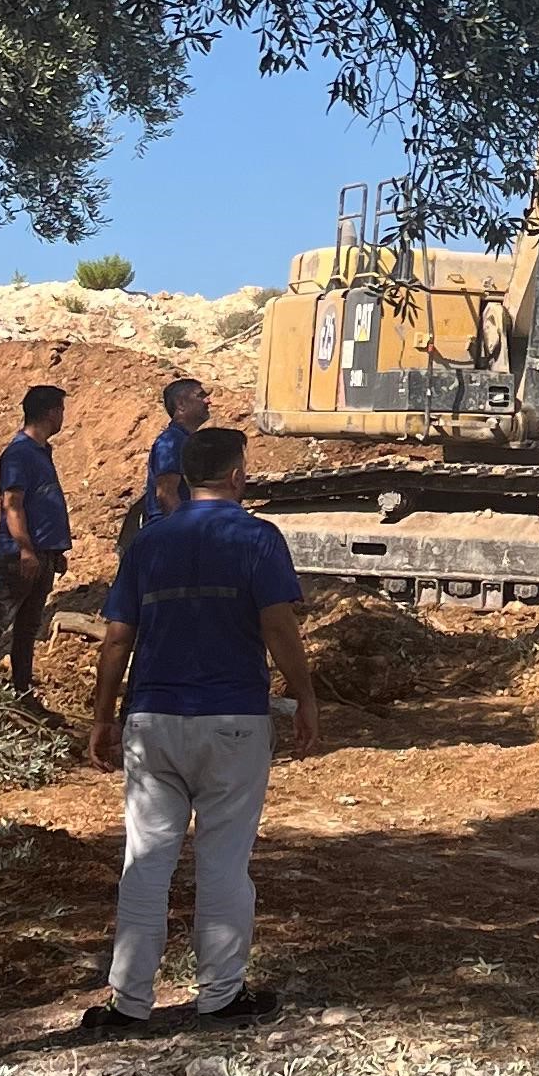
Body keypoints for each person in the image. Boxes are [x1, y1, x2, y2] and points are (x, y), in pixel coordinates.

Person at [78, 421, 319, 1037]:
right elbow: (278, 626)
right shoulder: (258, 538)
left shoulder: (148, 543)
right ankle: (220, 996)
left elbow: (117, 640)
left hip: (153, 721)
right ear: (238, 475)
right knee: (224, 863)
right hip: (233, 720)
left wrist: (102, 716)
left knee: (145, 862)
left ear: (184, 476)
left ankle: (128, 1003)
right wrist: (305, 695)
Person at [0, 384, 70, 697]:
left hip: (41, 555)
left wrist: (53, 552)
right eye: (61, 410)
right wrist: (26, 551)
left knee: (27, 628)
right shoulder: (19, 454)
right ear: (51, 412)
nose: (63, 417)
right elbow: (12, 505)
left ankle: (22, 691)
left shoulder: (41, 452)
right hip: (17, 556)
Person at [116, 370, 212, 573]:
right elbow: (166, 493)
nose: (208, 401)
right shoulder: (171, 442)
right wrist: (186, 535)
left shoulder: (186, 441)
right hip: (168, 538)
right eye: (200, 396)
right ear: (181, 405)